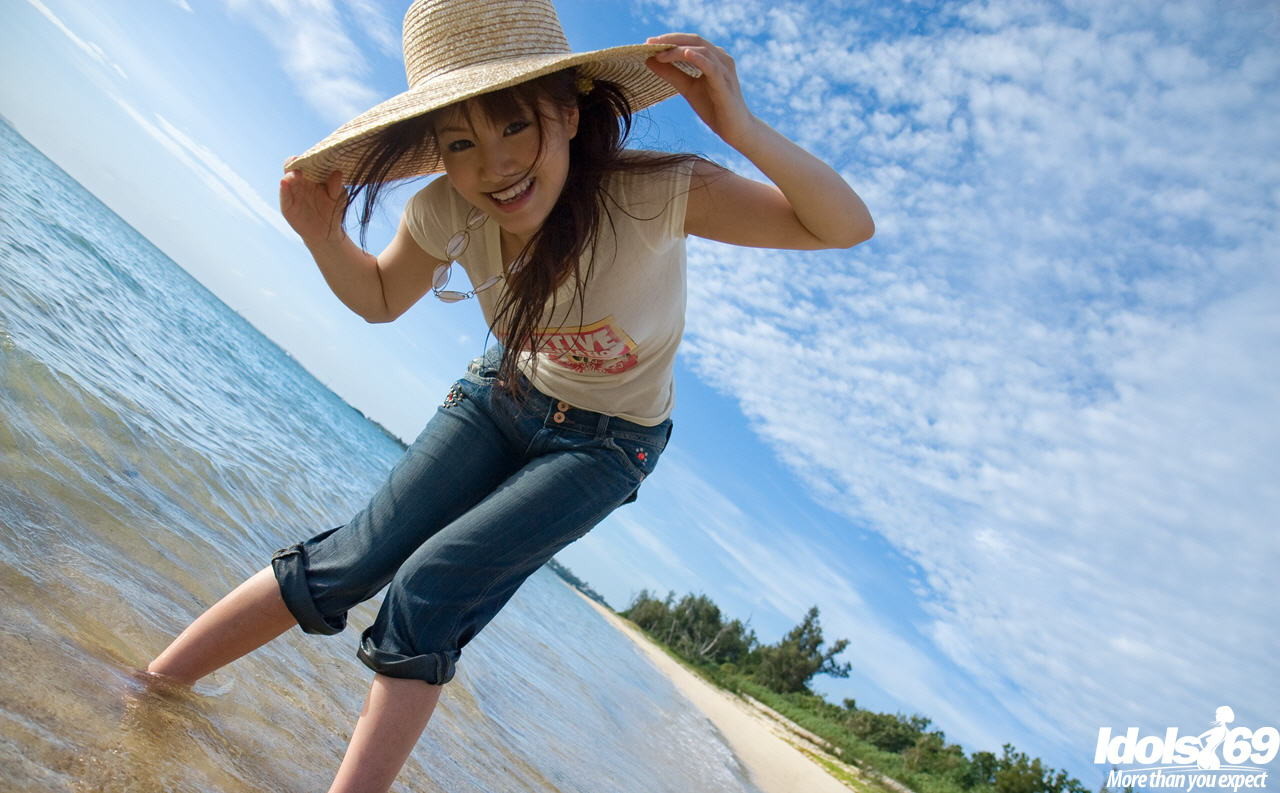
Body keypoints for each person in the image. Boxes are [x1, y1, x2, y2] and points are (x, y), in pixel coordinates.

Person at [144, 0, 873, 790]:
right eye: (460, 142)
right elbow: (383, 297)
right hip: (501, 396)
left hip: (606, 444)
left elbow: (841, 227)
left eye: (513, 126)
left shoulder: (658, 192)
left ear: (565, 113)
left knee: (432, 586)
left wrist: (741, 127)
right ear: (439, 155)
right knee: (353, 557)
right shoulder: (445, 209)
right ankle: (146, 689)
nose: (493, 164)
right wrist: (324, 237)